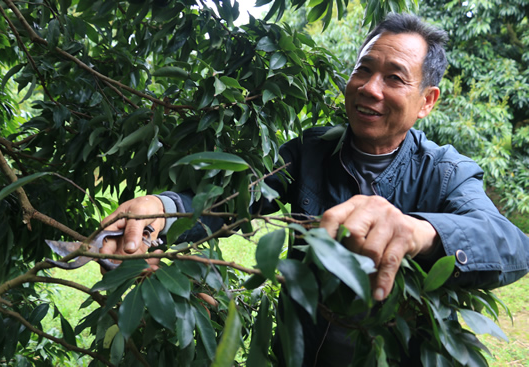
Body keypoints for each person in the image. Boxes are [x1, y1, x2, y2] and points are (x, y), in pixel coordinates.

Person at [100, 13, 529, 365]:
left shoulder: (445, 170)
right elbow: (237, 200)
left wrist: (420, 233)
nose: (370, 88)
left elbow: (511, 246)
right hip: (301, 352)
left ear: (427, 101)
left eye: (395, 78)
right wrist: (165, 207)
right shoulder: (310, 151)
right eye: (364, 69)